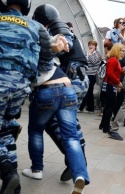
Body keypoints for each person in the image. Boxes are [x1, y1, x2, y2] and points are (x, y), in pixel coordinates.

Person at [0, 1, 67, 193]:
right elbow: (46, 65)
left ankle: (7, 172)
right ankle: (14, 187)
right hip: (20, 88)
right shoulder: (37, 27)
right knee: (5, 132)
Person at [22, 4, 90, 193]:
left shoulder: (35, 40)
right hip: (67, 87)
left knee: (36, 130)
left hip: (48, 90)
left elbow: (60, 44)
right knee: (71, 135)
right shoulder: (55, 37)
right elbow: (63, 43)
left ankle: (37, 169)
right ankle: (80, 174)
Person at [99, 44, 125, 140]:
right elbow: (109, 73)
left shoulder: (114, 59)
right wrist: (118, 82)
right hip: (110, 85)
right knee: (110, 106)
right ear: (117, 50)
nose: (123, 52)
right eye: (122, 50)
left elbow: (112, 72)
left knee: (108, 106)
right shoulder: (114, 59)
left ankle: (103, 124)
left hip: (110, 84)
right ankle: (106, 126)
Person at [79, 40, 102, 113]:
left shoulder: (97, 54)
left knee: (88, 91)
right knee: (89, 91)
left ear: (95, 46)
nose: (91, 46)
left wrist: (90, 54)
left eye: (92, 45)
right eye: (90, 45)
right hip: (87, 73)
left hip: (93, 74)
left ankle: (82, 107)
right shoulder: (87, 53)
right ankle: (90, 107)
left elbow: (94, 62)